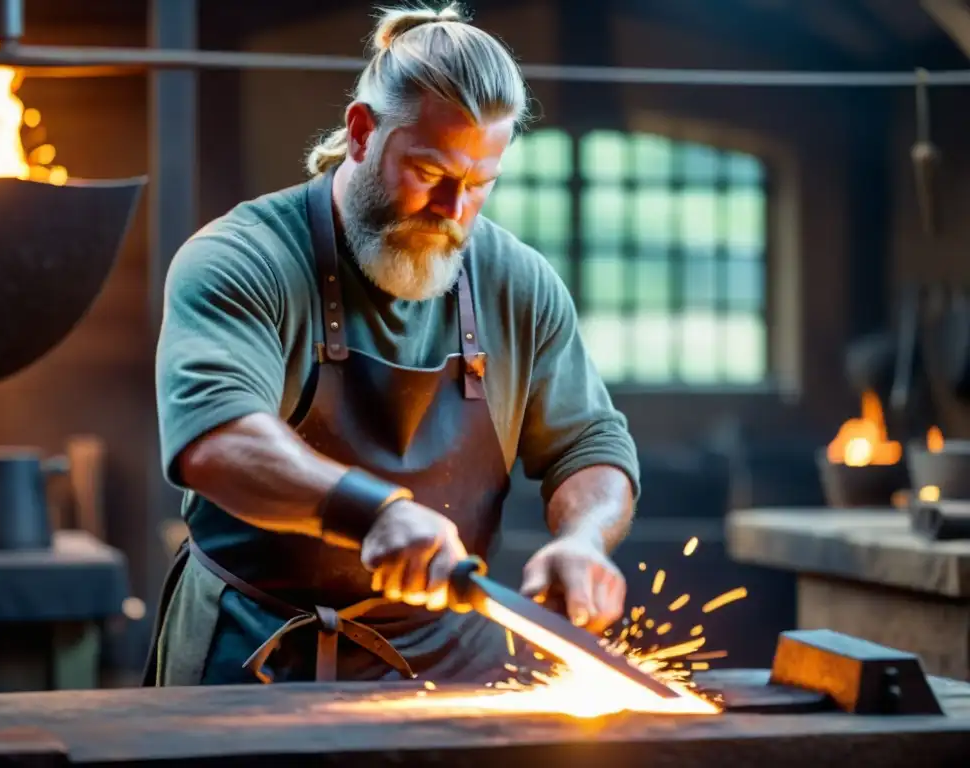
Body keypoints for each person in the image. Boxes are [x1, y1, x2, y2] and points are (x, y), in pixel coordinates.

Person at [145, 2, 641, 687]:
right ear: (361, 132)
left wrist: (582, 540)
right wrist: (368, 513)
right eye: (431, 174)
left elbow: (592, 447)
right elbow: (217, 441)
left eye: (479, 186)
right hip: (253, 653)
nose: (454, 212)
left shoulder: (516, 282)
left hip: (451, 668)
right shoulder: (243, 257)